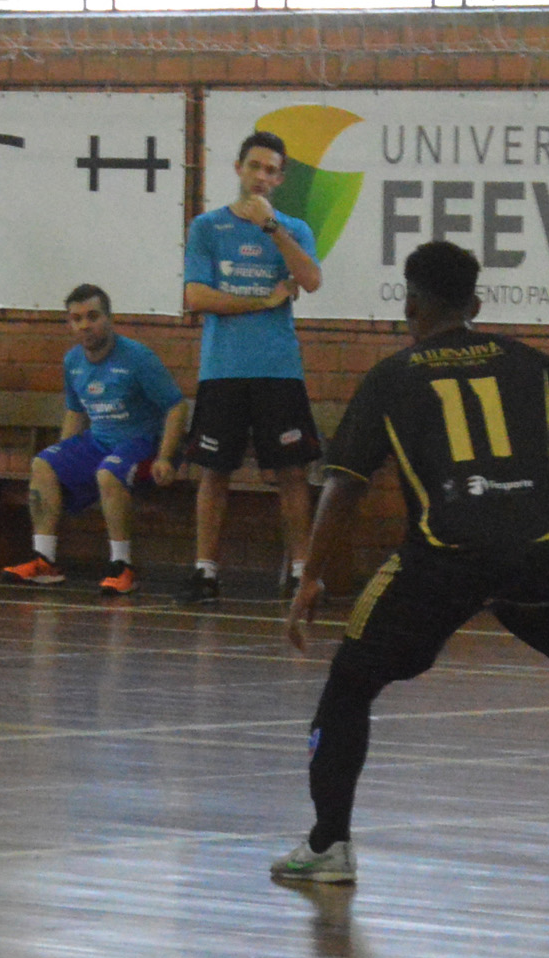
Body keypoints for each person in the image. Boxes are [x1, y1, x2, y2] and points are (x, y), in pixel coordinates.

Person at [271, 240, 549, 883]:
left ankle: (328, 844)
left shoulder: (392, 377)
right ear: (476, 304)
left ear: (409, 302)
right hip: (546, 550)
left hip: (444, 559)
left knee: (350, 684)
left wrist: (311, 575)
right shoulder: (531, 363)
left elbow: (343, 488)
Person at [181, 131, 324, 605]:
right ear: (238, 168)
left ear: (279, 179)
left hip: (278, 369)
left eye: (270, 170)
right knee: (214, 472)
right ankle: (205, 571)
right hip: (223, 368)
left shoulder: (293, 228)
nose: (261, 177)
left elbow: (311, 281)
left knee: (290, 473)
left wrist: (272, 230)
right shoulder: (207, 227)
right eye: (254, 166)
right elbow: (196, 297)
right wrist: (262, 299)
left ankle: (302, 572)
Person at [0, 285, 186, 595]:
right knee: (43, 463)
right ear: (69, 325)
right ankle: (44, 561)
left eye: (93, 316)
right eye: (76, 319)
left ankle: (122, 566)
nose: (85, 325)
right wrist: (64, 460)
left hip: (141, 443)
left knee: (108, 472)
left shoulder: (138, 358)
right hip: (99, 441)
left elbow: (176, 406)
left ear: (110, 319)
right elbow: (75, 412)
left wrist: (166, 457)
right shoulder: (73, 362)